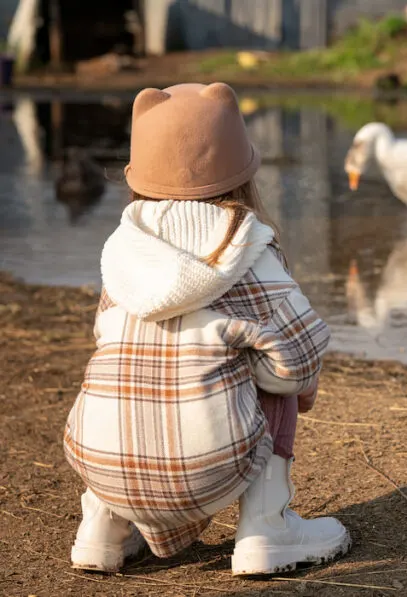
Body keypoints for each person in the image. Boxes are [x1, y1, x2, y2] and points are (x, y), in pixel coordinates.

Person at [62, 82, 350, 577]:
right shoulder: (249, 250)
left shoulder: (123, 251)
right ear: (242, 174)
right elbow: (300, 359)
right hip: (206, 466)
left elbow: (100, 333)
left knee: (118, 368)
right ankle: (266, 528)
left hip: (100, 464)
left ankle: (101, 529)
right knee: (278, 381)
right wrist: (278, 377)